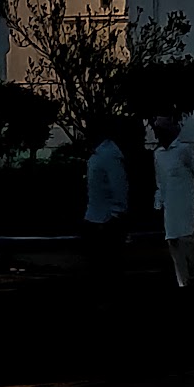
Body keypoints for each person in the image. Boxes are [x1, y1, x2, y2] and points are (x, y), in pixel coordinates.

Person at [151, 115, 194, 288]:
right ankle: (182, 281)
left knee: (187, 240)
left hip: (186, 203)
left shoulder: (184, 150)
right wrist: (158, 203)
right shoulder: (158, 155)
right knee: (173, 242)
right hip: (170, 205)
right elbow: (160, 182)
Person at [83, 118, 129, 295]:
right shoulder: (100, 153)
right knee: (99, 266)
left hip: (105, 220)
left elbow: (119, 186)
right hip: (96, 217)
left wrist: (115, 214)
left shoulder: (109, 155)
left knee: (107, 265)